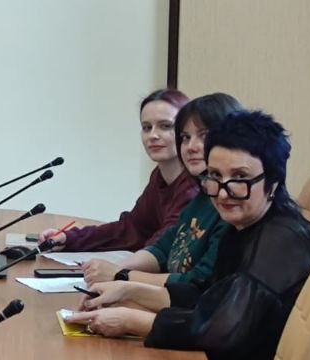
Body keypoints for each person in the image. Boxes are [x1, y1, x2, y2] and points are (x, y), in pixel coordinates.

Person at [68, 110, 310, 360]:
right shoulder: (243, 225)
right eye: (214, 176)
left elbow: (221, 328)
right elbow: (207, 295)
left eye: (240, 177)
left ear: (273, 182)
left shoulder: (280, 241)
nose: (223, 192)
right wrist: (129, 290)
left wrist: (131, 320)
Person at [82, 92, 244, 287]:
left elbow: (199, 283)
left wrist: (120, 275)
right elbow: (160, 249)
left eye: (204, 136)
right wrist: (113, 269)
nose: (191, 147)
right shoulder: (202, 197)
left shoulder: (228, 205)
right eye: (185, 137)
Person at [39, 88, 194, 252]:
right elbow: (131, 228)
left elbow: (164, 245)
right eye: (147, 127)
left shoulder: (194, 186)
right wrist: (69, 238)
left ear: (187, 132)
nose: (153, 135)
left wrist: (121, 265)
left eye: (165, 126)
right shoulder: (159, 177)